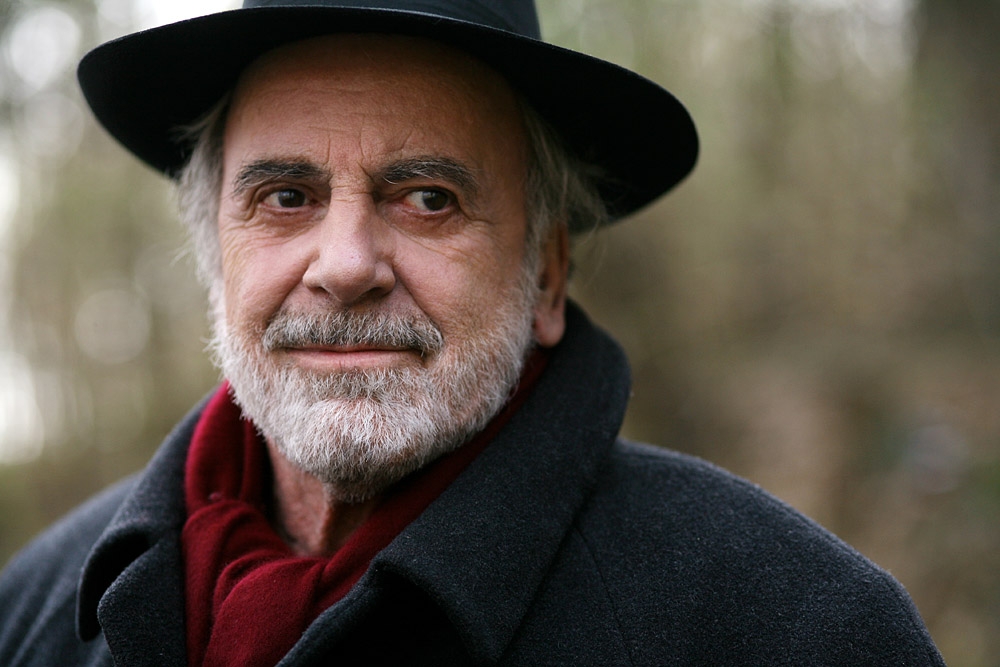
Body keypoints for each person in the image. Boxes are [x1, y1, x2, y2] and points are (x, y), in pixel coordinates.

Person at [0, 1, 945, 665]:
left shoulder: (790, 628)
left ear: (547, 272)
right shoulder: (35, 608)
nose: (345, 264)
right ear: (216, 253)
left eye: (427, 198)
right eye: (285, 197)